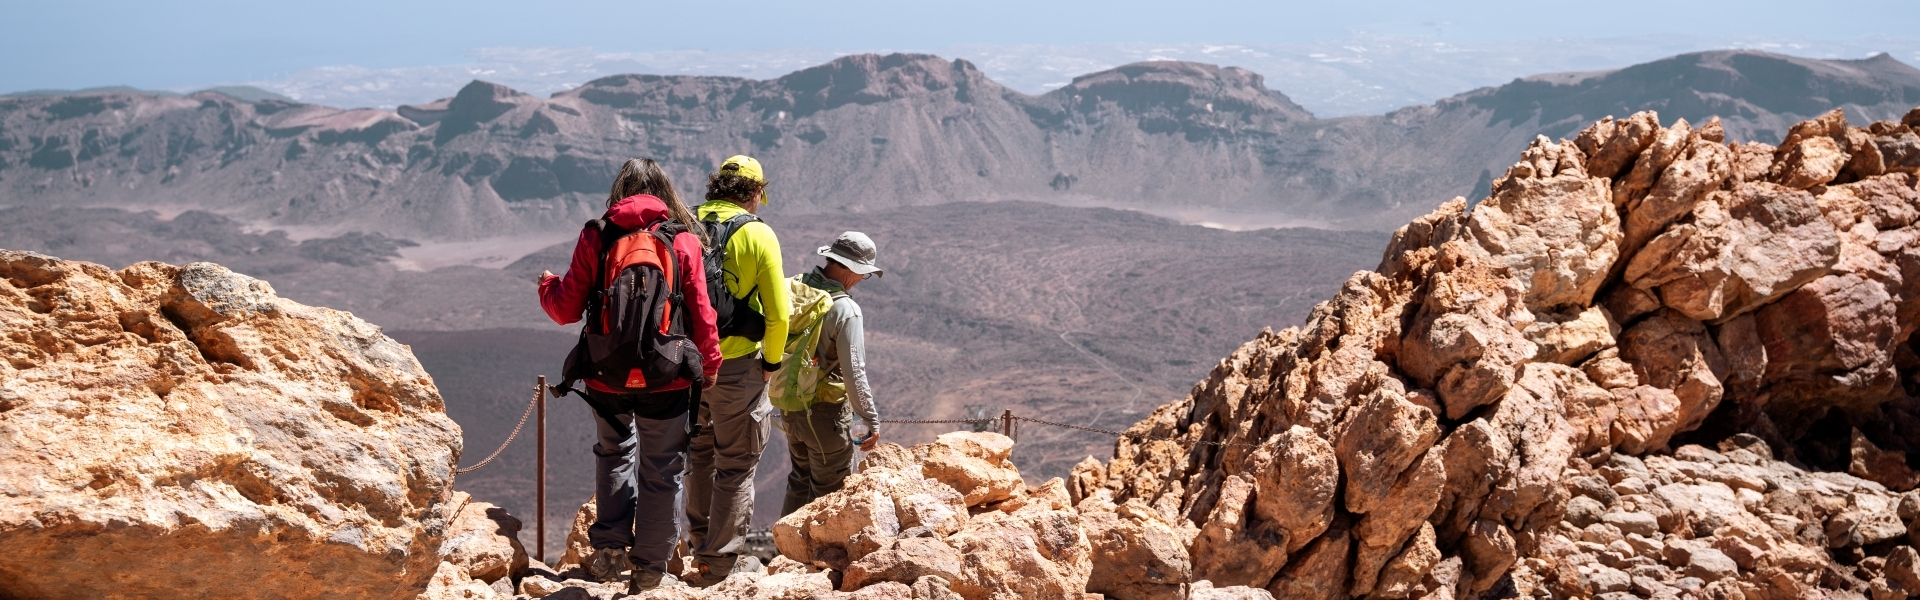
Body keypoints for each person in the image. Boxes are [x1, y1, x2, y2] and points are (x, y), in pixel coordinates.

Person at [536, 158, 721, 593]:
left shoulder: (597, 236)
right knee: (663, 467)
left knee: (614, 453)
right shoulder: (682, 240)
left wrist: (546, 285)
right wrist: (709, 366)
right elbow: (702, 313)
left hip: (606, 374)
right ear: (665, 194)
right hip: (667, 375)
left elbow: (565, 309)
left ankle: (609, 551)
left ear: (619, 191)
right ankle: (650, 567)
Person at [686, 155, 791, 585]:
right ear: (756, 192)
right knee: (735, 465)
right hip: (737, 367)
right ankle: (718, 563)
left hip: (686, 366)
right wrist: (770, 363)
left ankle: (697, 545)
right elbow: (779, 314)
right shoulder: (758, 233)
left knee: (698, 456)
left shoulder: (684, 222)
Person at [779, 232, 884, 515]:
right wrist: (870, 419)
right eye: (863, 273)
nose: (861, 279)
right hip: (826, 415)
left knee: (799, 480)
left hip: (790, 406)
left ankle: (785, 543)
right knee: (829, 494)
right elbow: (854, 372)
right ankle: (817, 545)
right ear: (849, 268)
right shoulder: (845, 310)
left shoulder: (795, 288)